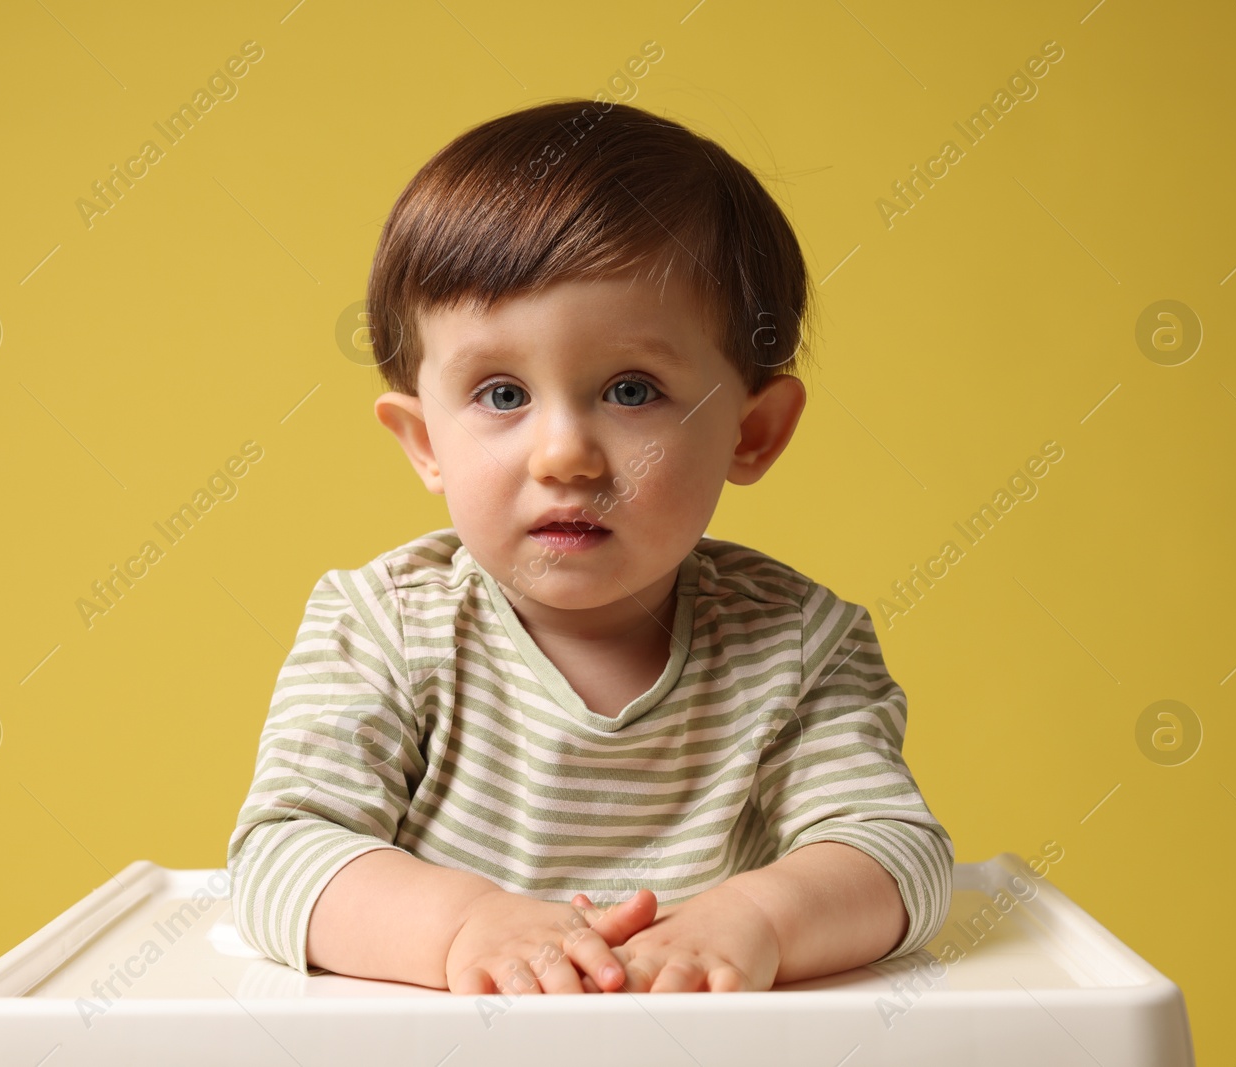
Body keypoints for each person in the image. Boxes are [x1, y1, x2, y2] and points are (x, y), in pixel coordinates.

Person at [226, 98, 953, 996]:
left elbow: (896, 853)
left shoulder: (799, 643)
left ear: (751, 432)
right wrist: (463, 924)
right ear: (423, 443)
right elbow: (279, 857)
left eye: (631, 389)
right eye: (500, 395)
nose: (563, 453)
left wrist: (756, 918)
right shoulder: (383, 627)